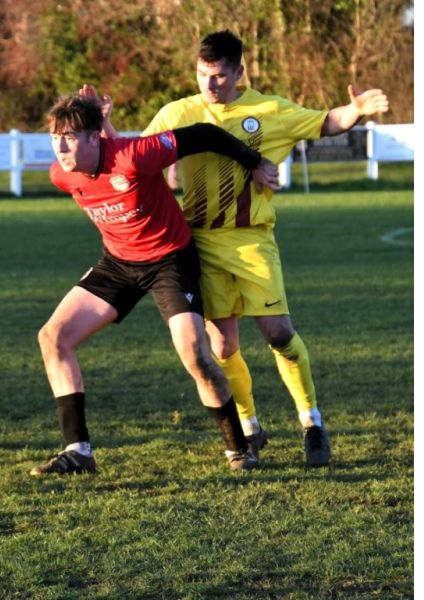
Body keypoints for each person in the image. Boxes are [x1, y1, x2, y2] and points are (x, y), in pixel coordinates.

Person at [91, 29, 390, 467]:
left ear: (239, 72)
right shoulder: (178, 112)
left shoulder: (268, 110)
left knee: (279, 333)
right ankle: (249, 427)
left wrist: (357, 111)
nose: (209, 84)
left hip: (252, 240)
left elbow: (325, 121)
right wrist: (104, 125)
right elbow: (134, 155)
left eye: (218, 76)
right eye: (202, 74)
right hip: (201, 242)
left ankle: (311, 422)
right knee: (222, 346)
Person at [30, 93, 280, 476]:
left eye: (69, 137)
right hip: (118, 264)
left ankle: (240, 446)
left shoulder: (134, 155)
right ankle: (78, 451)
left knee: (196, 356)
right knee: (53, 337)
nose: (60, 148)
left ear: (95, 137)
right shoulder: (61, 175)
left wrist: (255, 162)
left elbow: (203, 133)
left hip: (170, 262)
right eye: (54, 138)